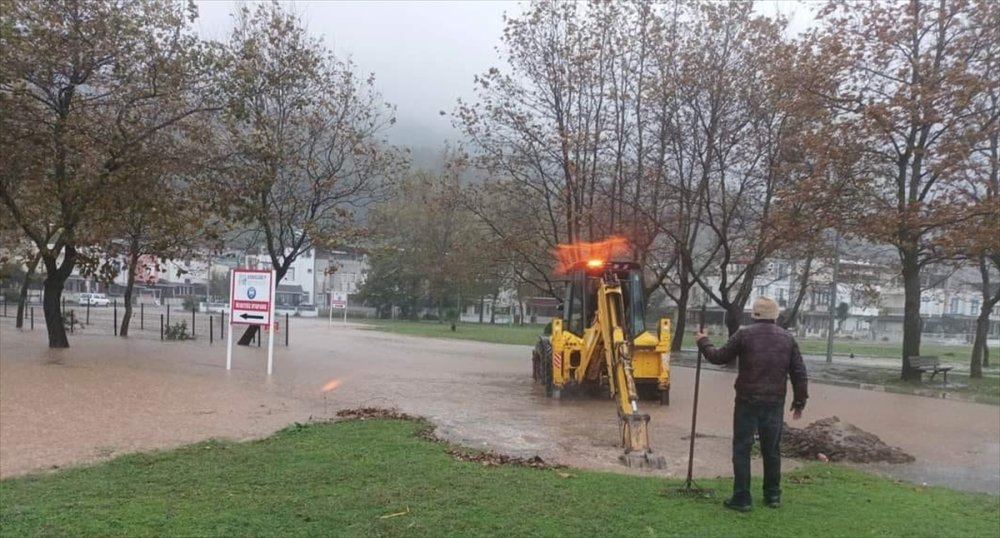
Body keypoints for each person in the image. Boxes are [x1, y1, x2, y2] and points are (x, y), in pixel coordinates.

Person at [696, 296, 808, 512]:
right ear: (775, 316)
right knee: (772, 450)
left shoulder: (744, 335)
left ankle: (742, 497)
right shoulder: (787, 339)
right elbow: (799, 373)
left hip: (747, 400)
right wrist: (799, 401)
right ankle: (772, 495)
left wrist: (703, 341)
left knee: (742, 449)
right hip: (775, 401)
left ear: (754, 315)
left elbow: (718, 357)